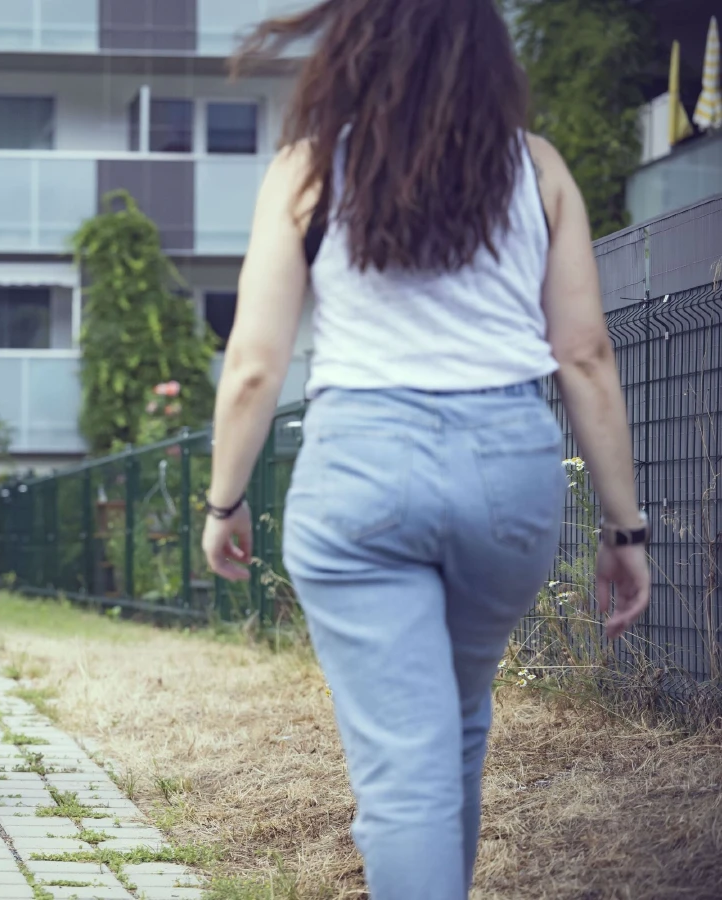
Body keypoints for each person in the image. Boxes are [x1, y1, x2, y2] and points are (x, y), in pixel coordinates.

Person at [200, 2, 651, 897]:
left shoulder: (306, 169)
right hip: (507, 474)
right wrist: (624, 528)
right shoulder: (538, 168)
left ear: (355, 46)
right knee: (456, 723)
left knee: (406, 767)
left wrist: (224, 501)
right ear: (486, 46)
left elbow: (254, 364)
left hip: (360, 472)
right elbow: (585, 354)